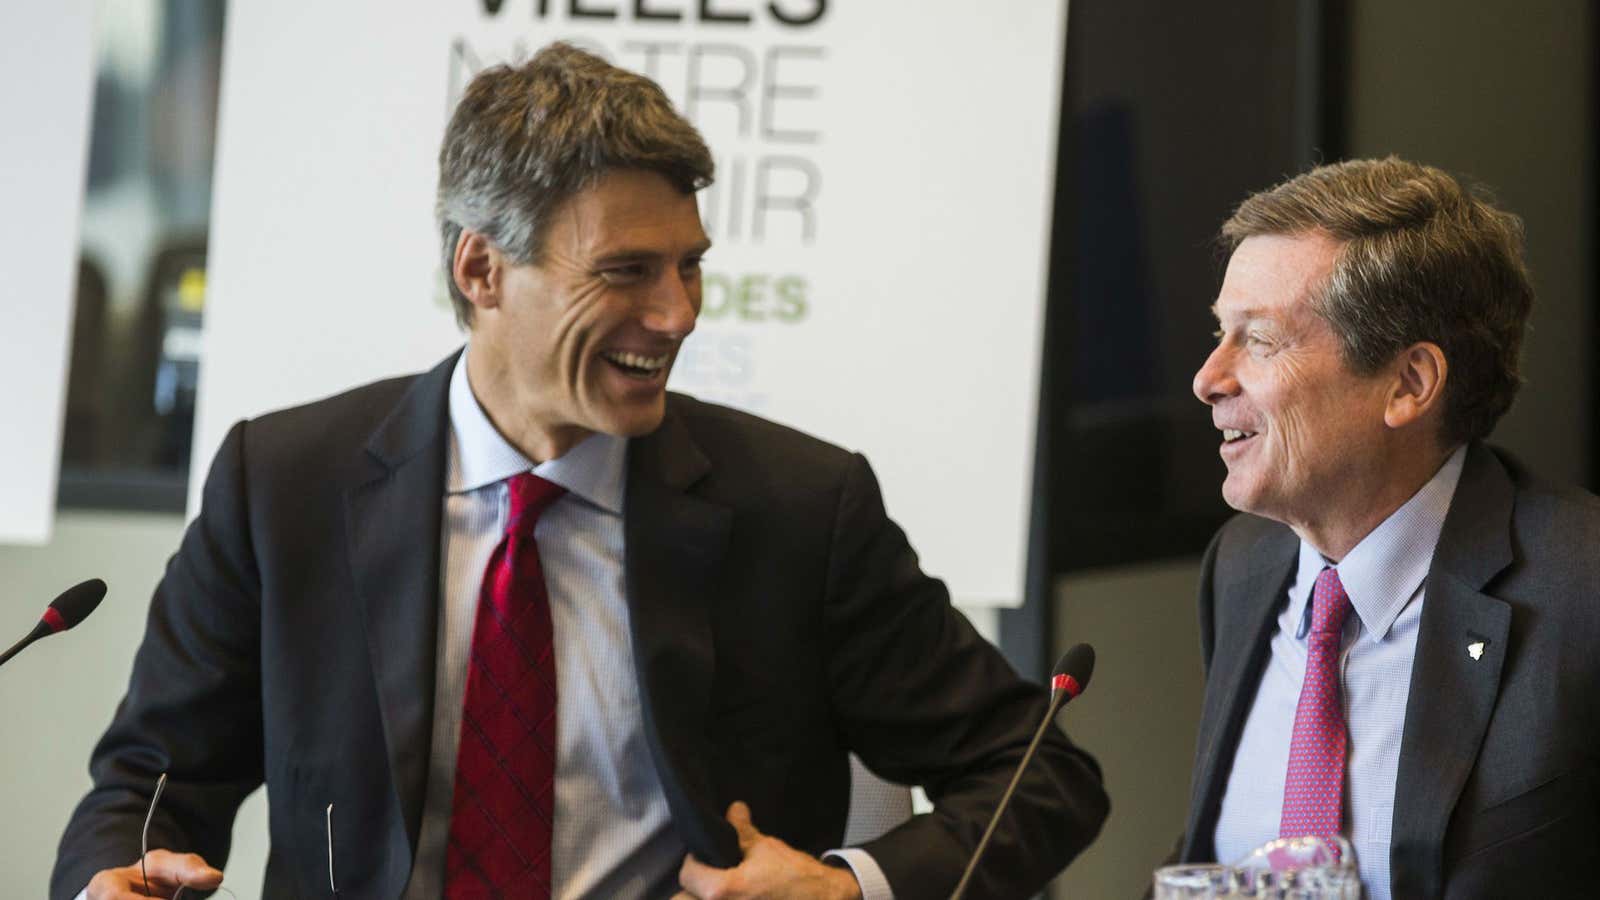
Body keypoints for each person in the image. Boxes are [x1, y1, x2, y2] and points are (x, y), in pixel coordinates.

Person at [53, 42, 1107, 900]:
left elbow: (1039, 774)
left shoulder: (797, 508)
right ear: (481, 269)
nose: (678, 315)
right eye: (626, 272)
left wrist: (849, 889)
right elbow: (151, 781)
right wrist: (111, 876)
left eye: (689, 266)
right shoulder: (283, 484)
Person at [1177, 156, 1600, 898]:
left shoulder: (1583, 589)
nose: (1209, 378)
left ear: (1409, 384)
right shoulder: (1242, 565)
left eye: (1260, 339)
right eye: (1220, 333)